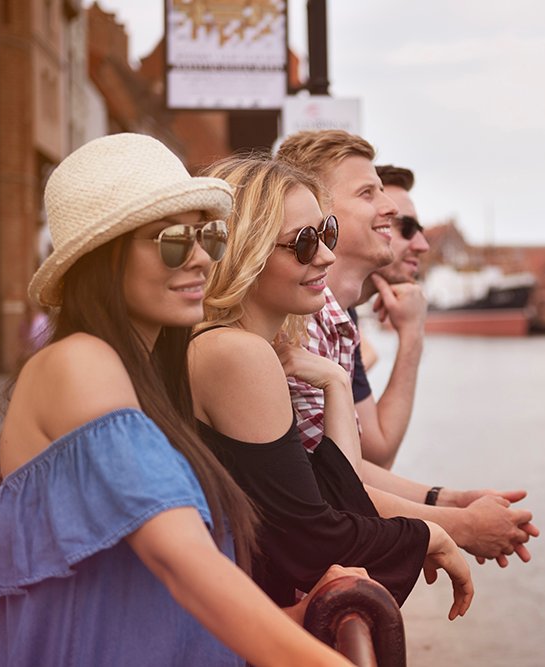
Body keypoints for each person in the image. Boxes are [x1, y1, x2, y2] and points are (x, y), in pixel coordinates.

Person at [0, 134, 353, 666]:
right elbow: (182, 564)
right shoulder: (79, 363)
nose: (201, 258)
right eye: (172, 240)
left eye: (208, 236)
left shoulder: (146, 383)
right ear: (103, 257)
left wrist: (299, 615)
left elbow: (136, 603)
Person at [190, 156, 472, 619]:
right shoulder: (236, 353)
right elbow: (314, 542)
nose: (325, 255)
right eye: (304, 242)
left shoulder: (240, 349)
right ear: (246, 251)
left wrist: (336, 382)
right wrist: (431, 534)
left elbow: (340, 497)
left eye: (327, 233)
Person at [276, 130, 539, 567]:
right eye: (368, 193)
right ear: (319, 215)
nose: (418, 241)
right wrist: (452, 526)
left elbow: (343, 464)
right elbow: (331, 480)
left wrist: (442, 502)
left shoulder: (338, 321)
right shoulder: (297, 323)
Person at [348, 164, 430, 470]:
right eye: (406, 228)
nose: (422, 245)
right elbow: (377, 457)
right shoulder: (320, 314)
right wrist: (412, 333)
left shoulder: (344, 316)